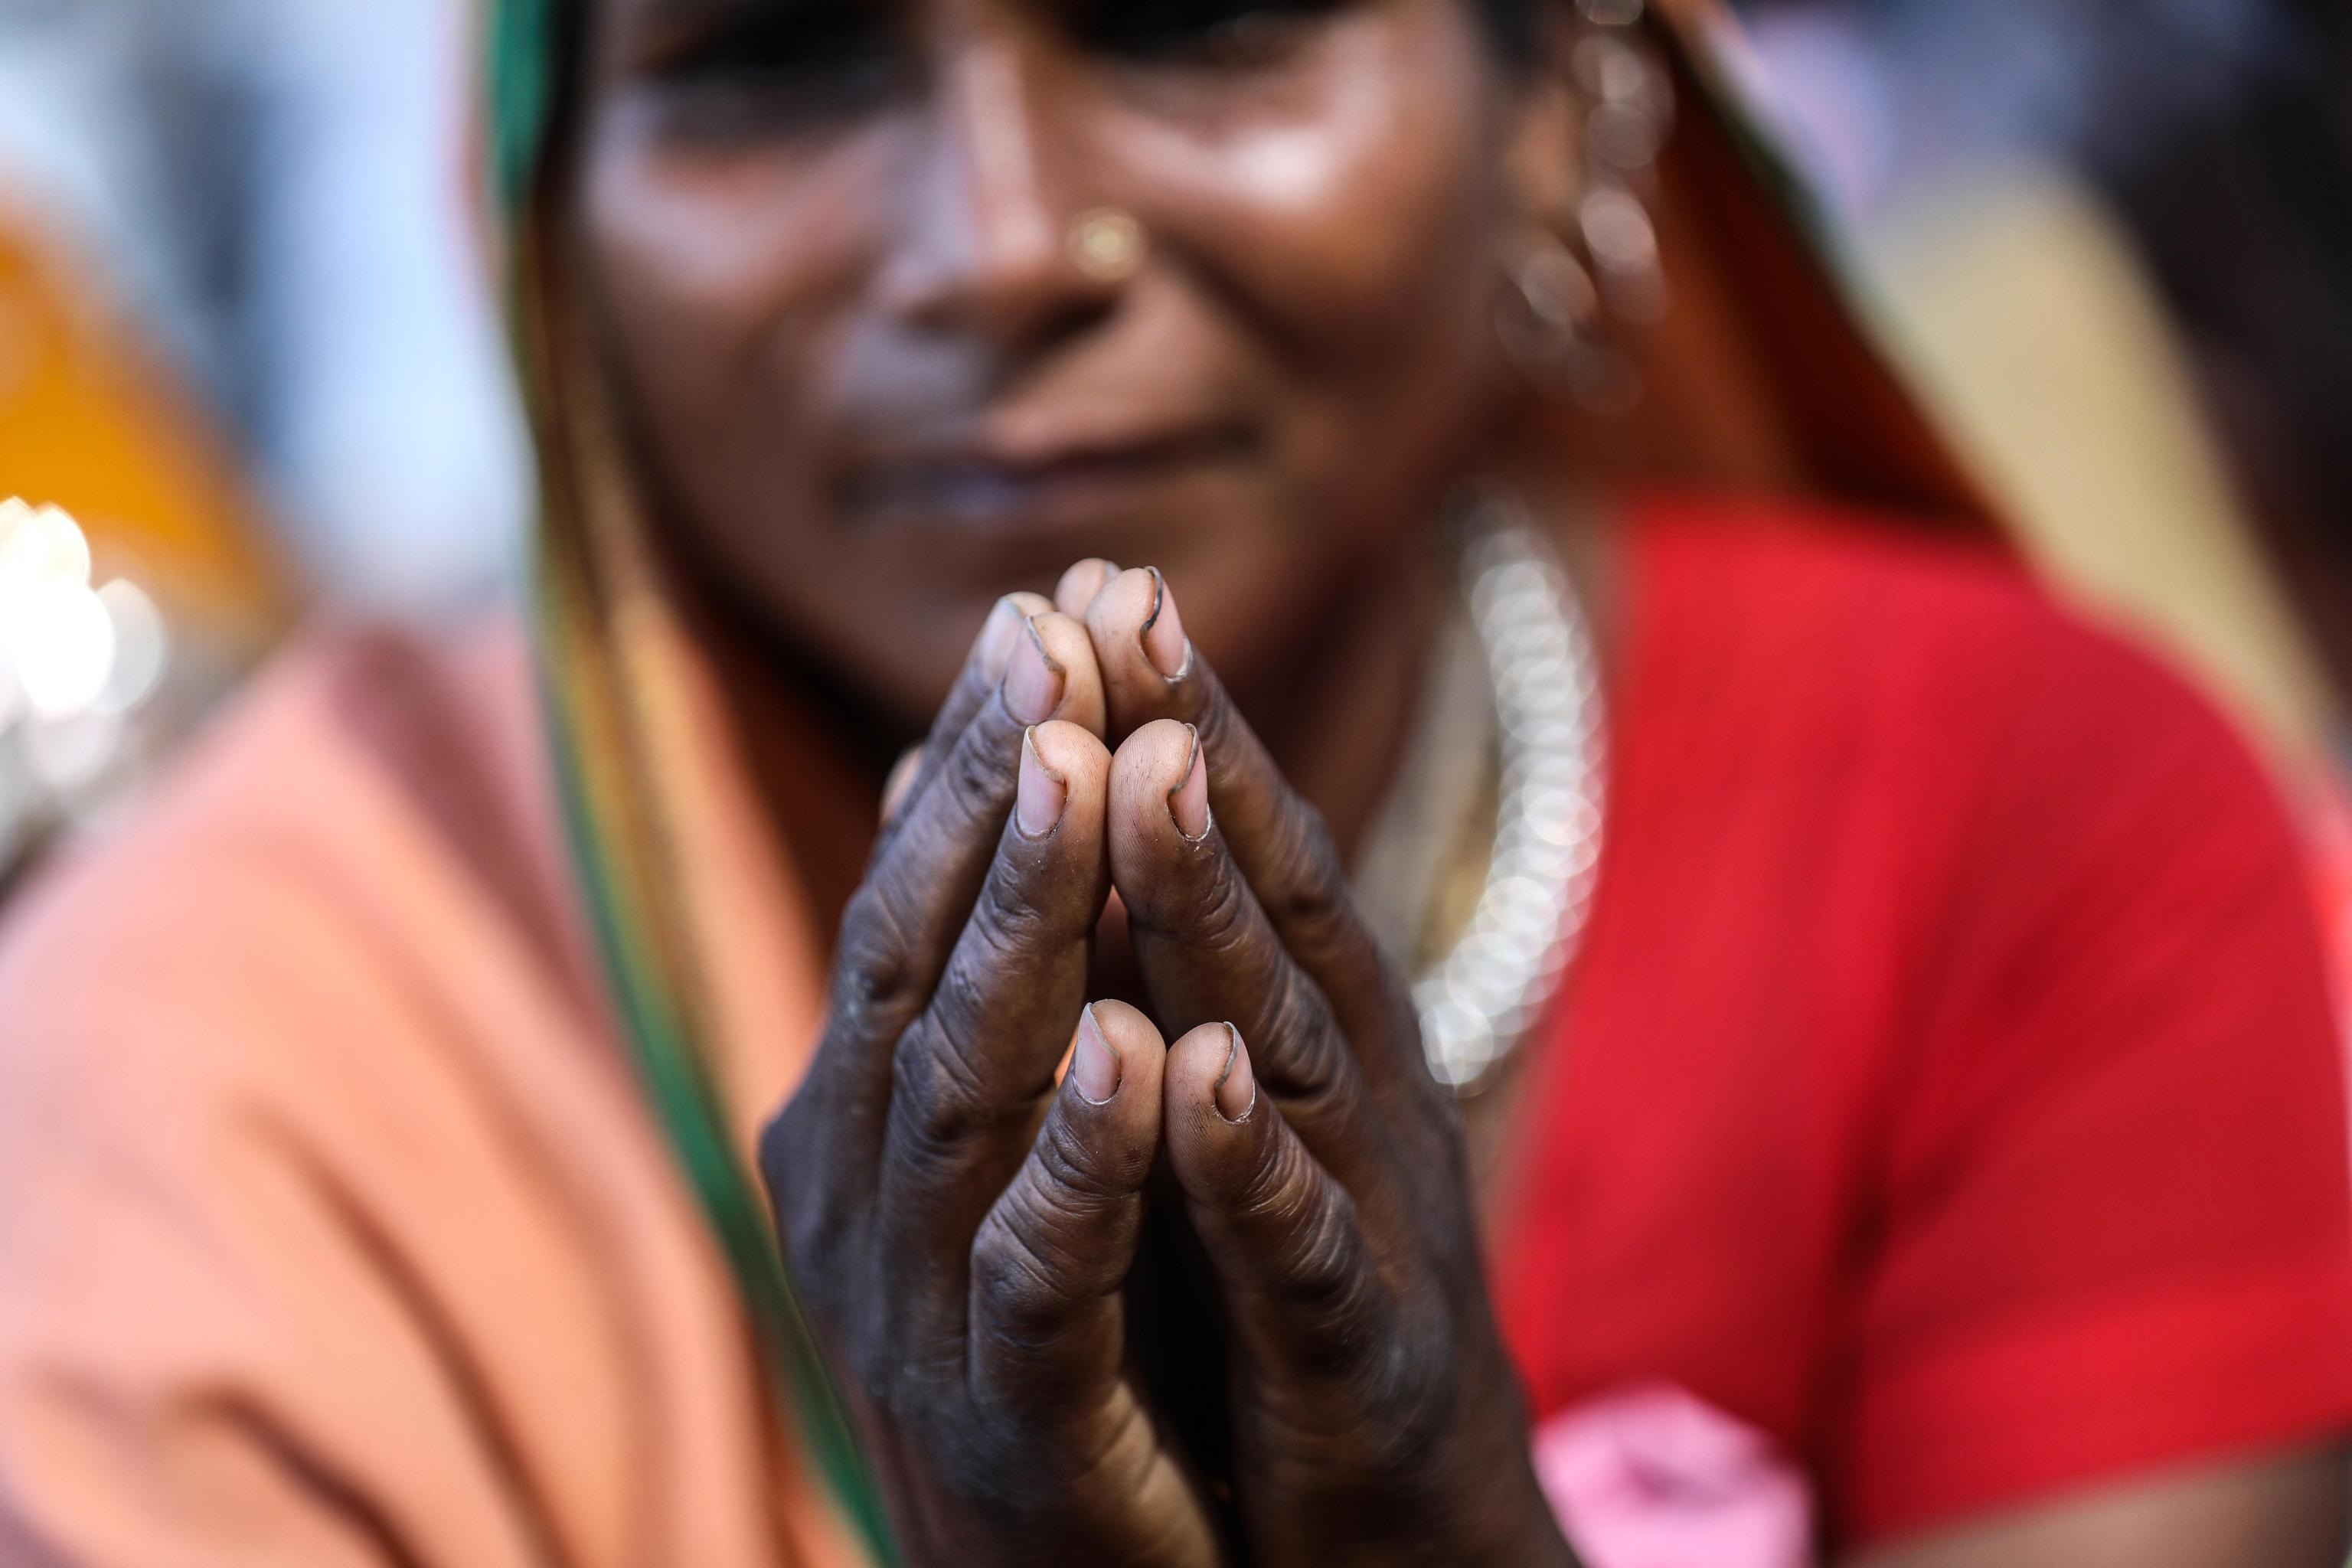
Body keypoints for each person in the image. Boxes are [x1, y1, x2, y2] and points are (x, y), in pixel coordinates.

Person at [2, 0, 2349, 1564]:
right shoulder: (219, 1078)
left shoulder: (2020, 832)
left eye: (1202, 18)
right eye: (777, 62)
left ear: (1560, 110)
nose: (1003, 246)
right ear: (546, 235)